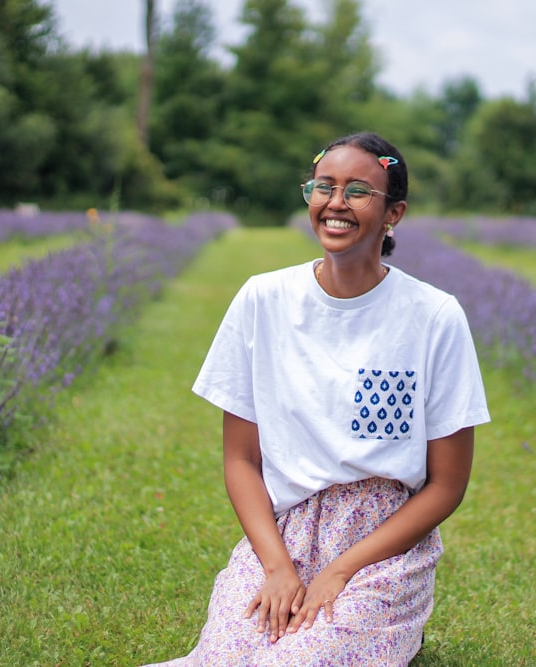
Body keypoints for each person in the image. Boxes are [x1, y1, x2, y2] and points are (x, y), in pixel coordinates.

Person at [142, 131, 490, 666]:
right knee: (225, 658)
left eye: (357, 191)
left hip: (381, 546)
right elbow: (241, 459)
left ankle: (395, 628)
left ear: (393, 212)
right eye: (324, 187)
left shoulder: (434, 317)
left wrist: (341, 571)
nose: (335, 203)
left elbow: (447, 484)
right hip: (285, 531)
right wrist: (278, 567)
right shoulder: (263, 298)